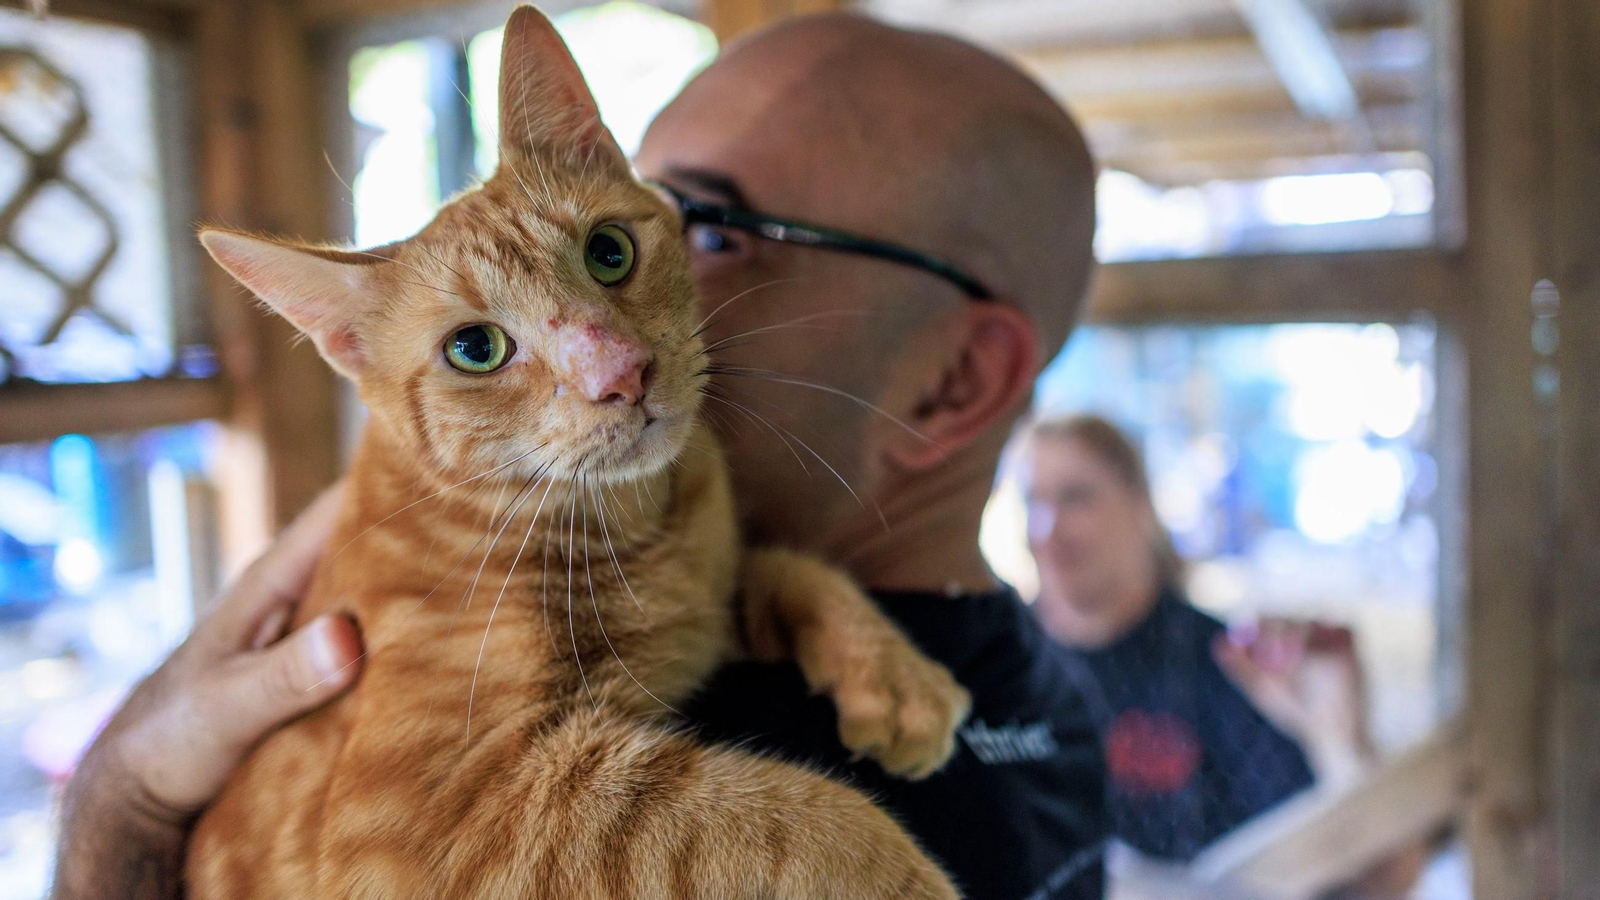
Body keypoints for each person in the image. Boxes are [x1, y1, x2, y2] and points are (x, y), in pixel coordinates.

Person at [54, 13, 1106, 899]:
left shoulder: (860, 794)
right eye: (659, 218)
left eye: (713, 231)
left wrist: (129, 801)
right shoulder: (1057, 711)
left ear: (952, 380)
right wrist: (802, 607)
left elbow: (408, 852)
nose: (611, 364)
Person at [1017, 415, 1428, 897]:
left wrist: (1338, 741)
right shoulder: (999, 669)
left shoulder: (1226, 665)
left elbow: (1386, 881)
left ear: (1140, 506)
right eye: (1032, 502)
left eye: (1076, 498)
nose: (1047, 530)